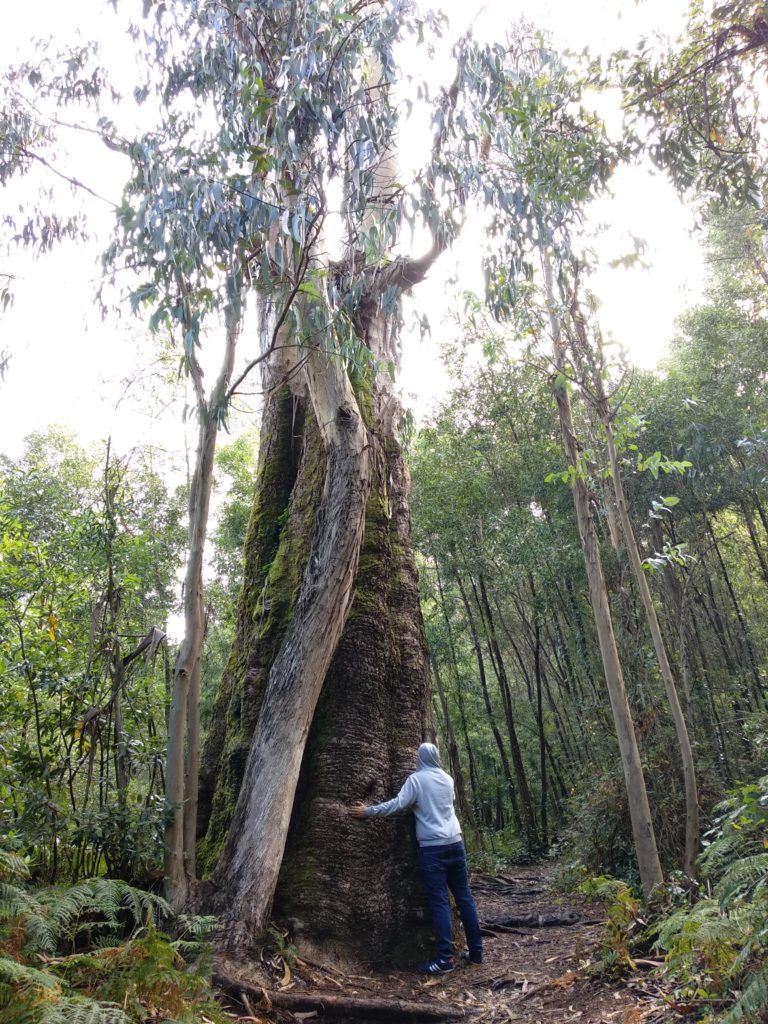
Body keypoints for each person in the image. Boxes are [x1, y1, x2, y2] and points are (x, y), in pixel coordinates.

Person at [349, 742, 483, 975]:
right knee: (464, 898)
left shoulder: (416, 780)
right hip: (455, 844)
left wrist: (368, 811)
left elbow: (398, 804)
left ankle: (445, 960)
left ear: (419, 758)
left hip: (433, 849)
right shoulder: (448, 779)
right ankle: (477, 952)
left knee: (440, 902)